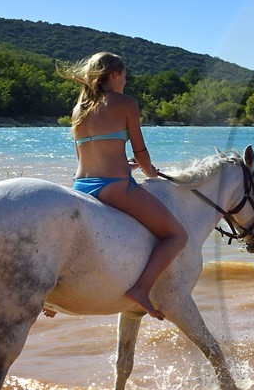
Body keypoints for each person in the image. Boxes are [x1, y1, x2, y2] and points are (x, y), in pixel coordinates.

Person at [66, 52, 186, 320]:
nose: (126, 82)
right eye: (125, 76)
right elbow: (141, 152)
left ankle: (53, 300)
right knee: (177, 235)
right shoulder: (125, 103)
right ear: (115, 74)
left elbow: (84, 156)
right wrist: (148, 171)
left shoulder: (79, 108)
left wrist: (123, 163)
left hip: (81, 185)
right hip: (114, 187)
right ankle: (141, 289)